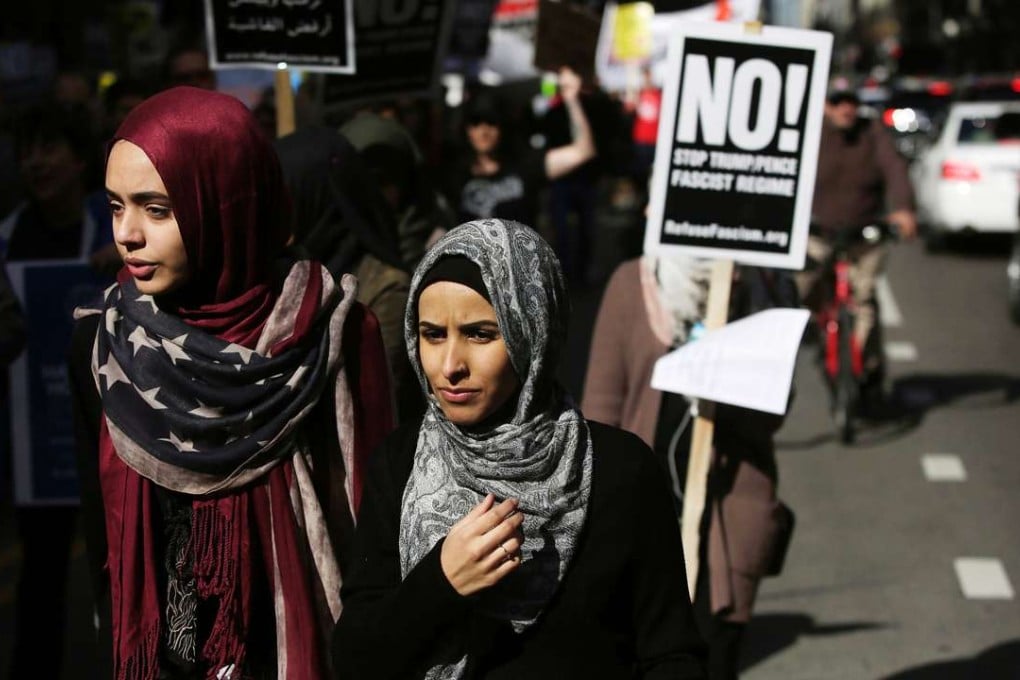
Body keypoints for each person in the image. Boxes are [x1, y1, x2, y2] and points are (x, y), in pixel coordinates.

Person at [68, 86, 393, 678]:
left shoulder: (329, 334)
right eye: (116, 206)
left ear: (225, 202)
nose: (128, 234)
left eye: (157, 208)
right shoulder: (105, 344)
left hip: (293, 652)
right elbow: (102, 536)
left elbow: (373, 532)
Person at [333, 218, 707, 679]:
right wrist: (442, 582)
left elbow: (671, 655)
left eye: (481, 334)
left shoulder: (618, 471)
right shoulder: (400, 462)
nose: (450, 365)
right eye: (433, 334)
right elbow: (355, 659)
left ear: (532, 330)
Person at [582, 254, 796, 680]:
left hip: (725, 524)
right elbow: (601, 407)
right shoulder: (633, 283)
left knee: (713, 661)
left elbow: (774, 411)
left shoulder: (761, 289)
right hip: (636, 525)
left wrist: (729, 335)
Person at [275, 126, 422, 422]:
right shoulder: (285, 272)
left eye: (286, 195)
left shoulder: (385, 287)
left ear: (313, 196)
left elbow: (375, 399)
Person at [801, 87, 917, 411]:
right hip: (819, 232)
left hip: (863, 234)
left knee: (862, 297)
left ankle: (864, 361)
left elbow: (895, 169)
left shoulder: (873, 133)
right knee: (801, 287)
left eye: (851, 102)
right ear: (826, 106)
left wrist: (904, 208)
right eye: (838, 102)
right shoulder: (811, 134)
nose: (845, 109)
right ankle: (821, 335)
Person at [444, 67, 595, 229]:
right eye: (475, 123)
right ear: (467, 130)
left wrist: (572, 99)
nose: (483, 132)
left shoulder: (524, 165)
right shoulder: (455, 173)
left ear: (503, 128)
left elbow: (583, 151)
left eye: (491, 123)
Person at [341, 112, 454, 272]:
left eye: (384, 179)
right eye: (363, 181)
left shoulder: (438, 242)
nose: (376, 192)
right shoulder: (335, 250)